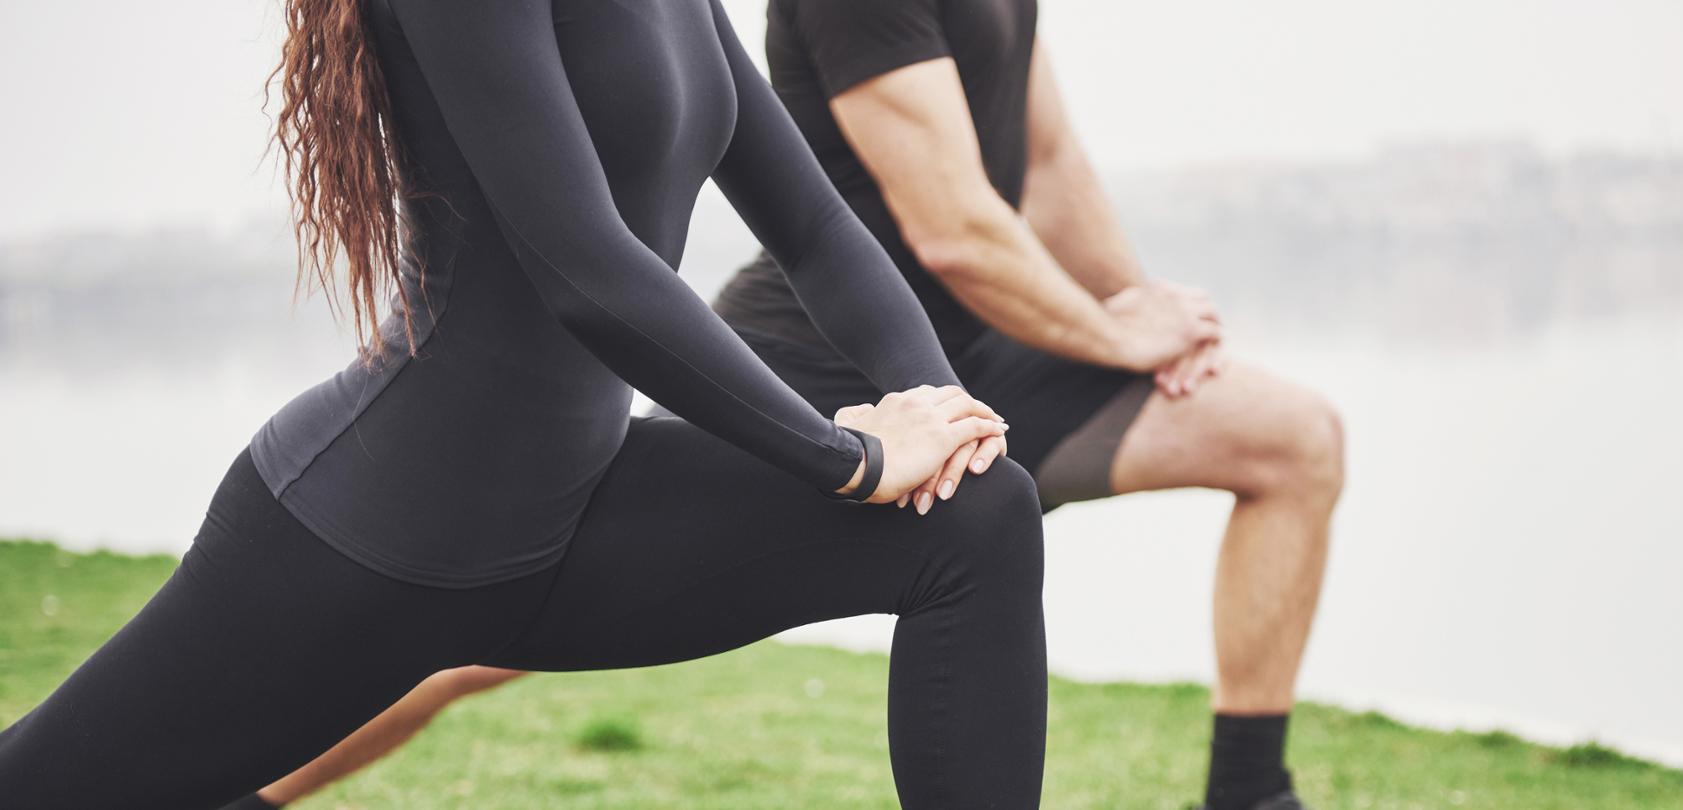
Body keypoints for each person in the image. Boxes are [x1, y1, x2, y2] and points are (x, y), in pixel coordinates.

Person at [226, 0, 1344, 808]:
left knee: (1292, 439)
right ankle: (263, 789)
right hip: (812, 359)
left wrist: (1142, 315)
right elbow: (950, 221)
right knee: (487, 637)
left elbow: (1047, 164)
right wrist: (1108, 334)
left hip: (985, 351)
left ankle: (1250, 791)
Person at [0, 0, 1052, 807]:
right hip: (371, 536)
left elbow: (815, 225)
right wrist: (847, 459)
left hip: (567, 525)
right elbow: (587, 270)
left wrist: (942, 414)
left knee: (978, 516)